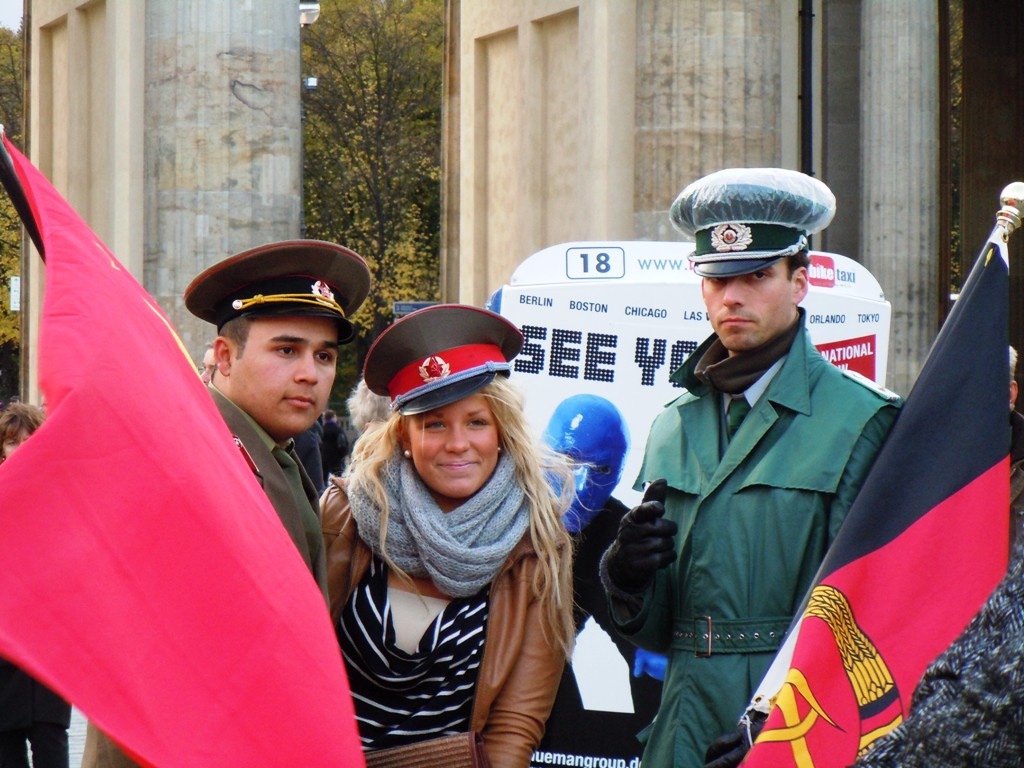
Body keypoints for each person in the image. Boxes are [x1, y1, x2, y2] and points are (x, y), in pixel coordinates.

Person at [598, 168, 902, 767]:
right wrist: (627, 579)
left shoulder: (861, 420)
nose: (731, 297)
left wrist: (784, 725)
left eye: (757, 275)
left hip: (797, 726)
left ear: (800, 281)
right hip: (681, 731)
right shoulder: (674, 422)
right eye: (716, 279)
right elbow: (661, 633)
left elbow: (868, 611)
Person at [81, 239, 371, 768]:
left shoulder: (266, 454)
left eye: (324, 356)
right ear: (224, 356)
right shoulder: (191, 459)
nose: (311, 372)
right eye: (287, 350)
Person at [320, 304, 575, 768]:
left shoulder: (537, 544)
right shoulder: (345, 516)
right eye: (434, 423)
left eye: (476, 422)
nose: (458, 443)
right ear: (404, 436)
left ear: (500, 432)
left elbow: (516, 723)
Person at [538, 394, 663, 760]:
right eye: (565, 460)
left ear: (622, 471)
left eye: (602, 470)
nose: (579, 486)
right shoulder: (500, 508)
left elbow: (647, 658)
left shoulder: (620, 534)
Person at [0, 403, 73, 768]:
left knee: (52, 746)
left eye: (30, 439)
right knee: (6, 750)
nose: (23, 448)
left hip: (49, 648)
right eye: (14, 442)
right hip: (4, 649)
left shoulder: (62, 498)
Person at [320, 409, 349, 478]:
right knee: (338, 477)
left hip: (323, 457)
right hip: (336, 458)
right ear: (333, 417)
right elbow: (342, 443)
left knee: (323, 478)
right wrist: (344, 454)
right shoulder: (338, 430)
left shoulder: (321, 429)